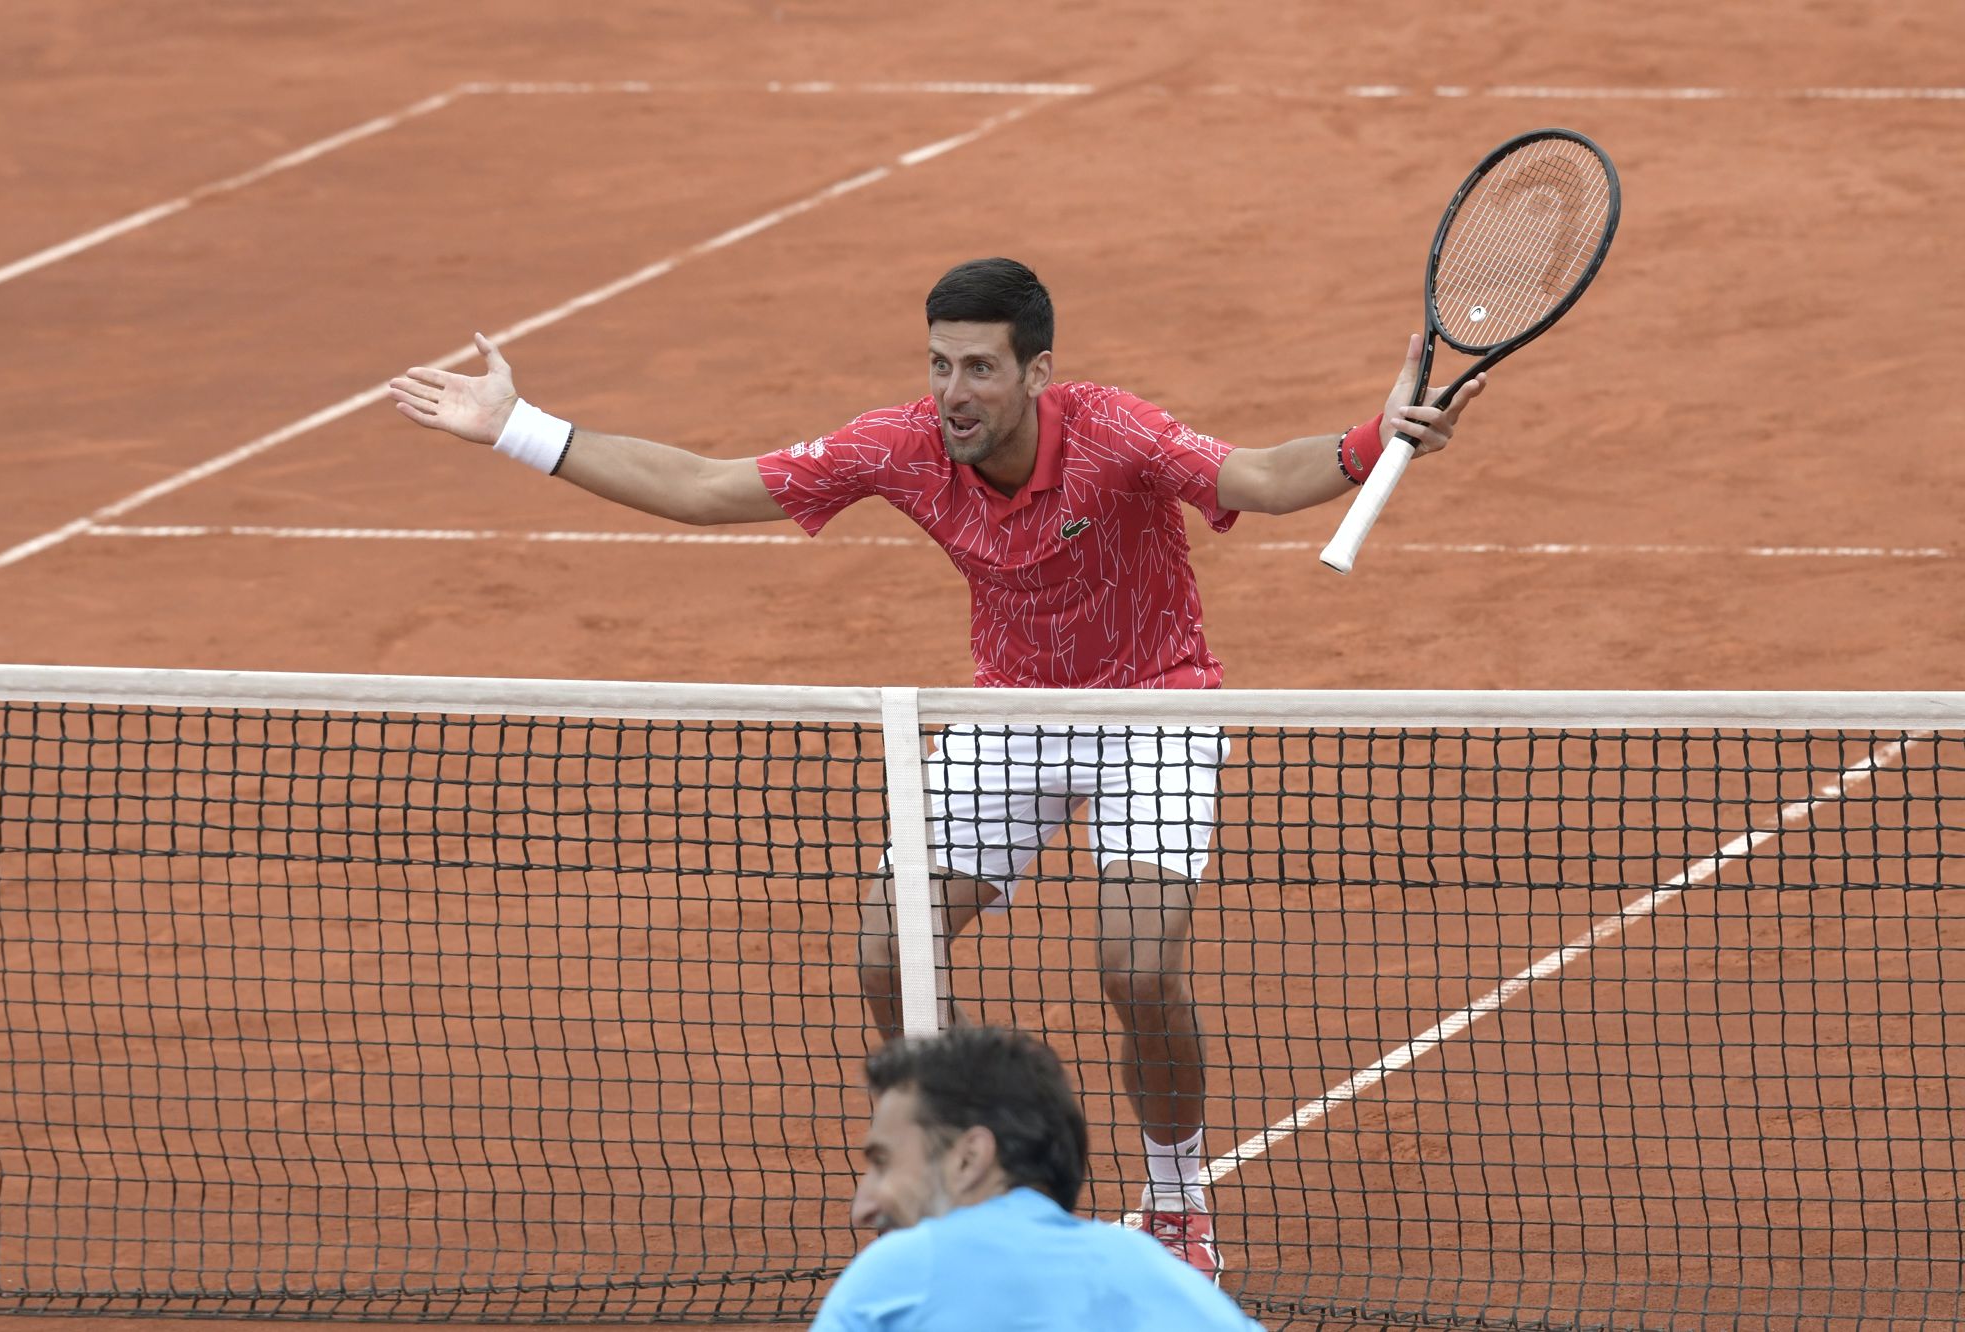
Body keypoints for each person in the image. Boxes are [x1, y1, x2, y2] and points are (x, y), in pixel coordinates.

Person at [388, 257, 1485, 1277]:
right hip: (1004, 715)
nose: (952, 390)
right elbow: (704, 487)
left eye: (977, 368)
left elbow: (1258, 473)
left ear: (1033, 372)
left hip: (1152, 707)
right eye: (938, 363)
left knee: (1136, 969)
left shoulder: (1113, 432)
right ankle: (960, 1188)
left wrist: (1364, 441)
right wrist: (516, 428)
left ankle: (1177, 1197)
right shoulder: (901, 445)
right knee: (886, 950)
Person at [815, 1023, 1263, 1329]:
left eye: (885, 1163)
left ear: (969, 1159)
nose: (863, 1207)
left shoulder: (899, 1273)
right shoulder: (1150, 1271)